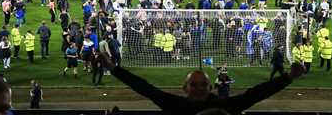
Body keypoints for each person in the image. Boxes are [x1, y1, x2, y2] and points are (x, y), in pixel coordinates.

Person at [101, 53, 305, 115]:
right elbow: (143, 87)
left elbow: (257, 93)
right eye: (194, 84)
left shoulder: (225, 106)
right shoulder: (175, 105)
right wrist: (112, 67)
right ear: (185, 88)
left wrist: (288, 77)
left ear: (211, 87)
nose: (198, 88)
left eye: (202, 84)